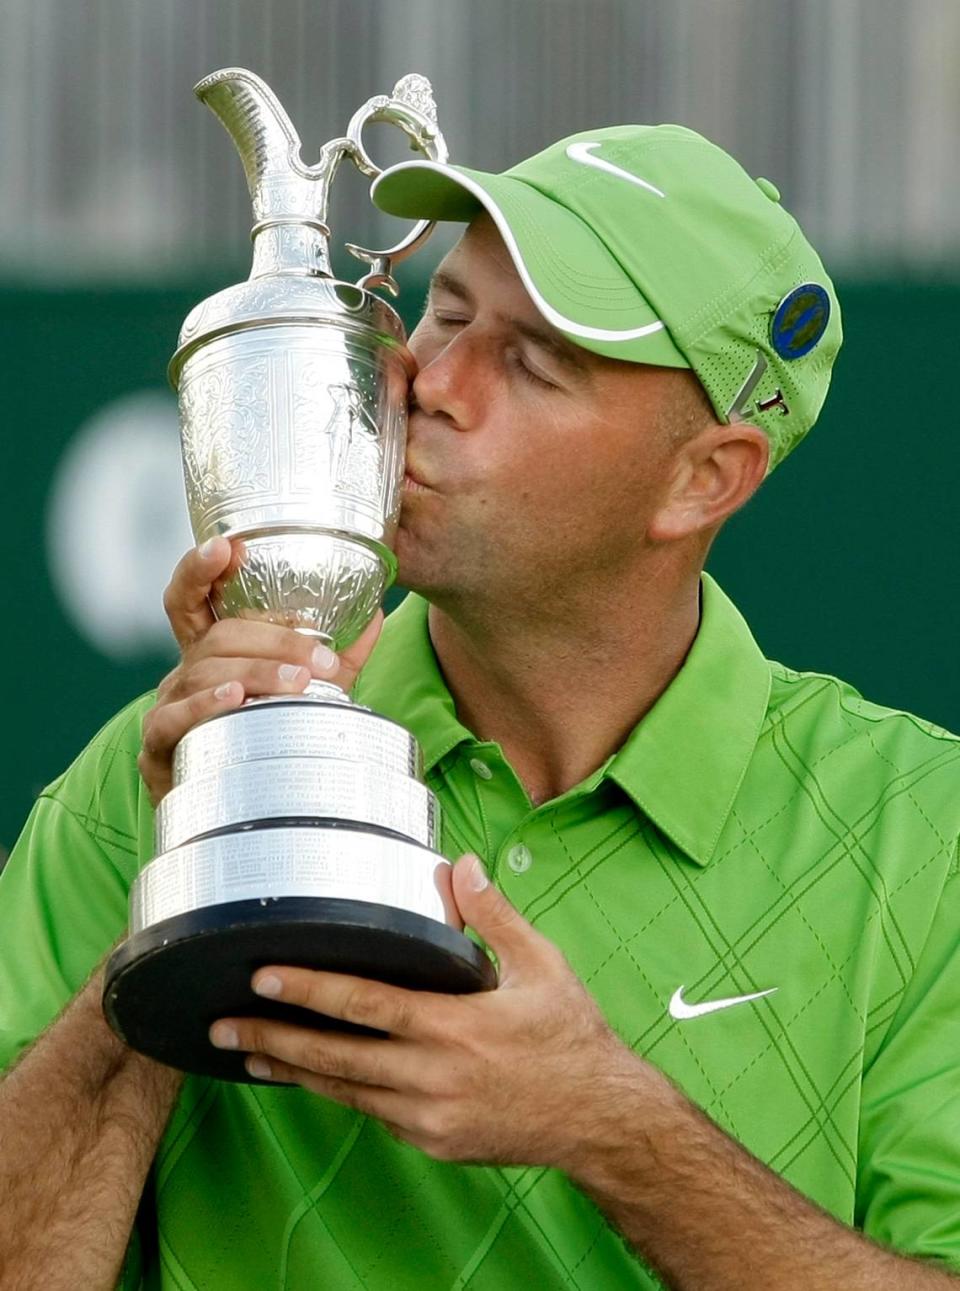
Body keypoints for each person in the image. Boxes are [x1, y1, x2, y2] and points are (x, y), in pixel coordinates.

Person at [2, 123, 960, 1291]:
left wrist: (610, 1126)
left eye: (536, 361)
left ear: (704, 476)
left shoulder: (927, 835)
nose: (433, 388)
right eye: (447, 316)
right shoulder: (163, 774)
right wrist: (199, 884)